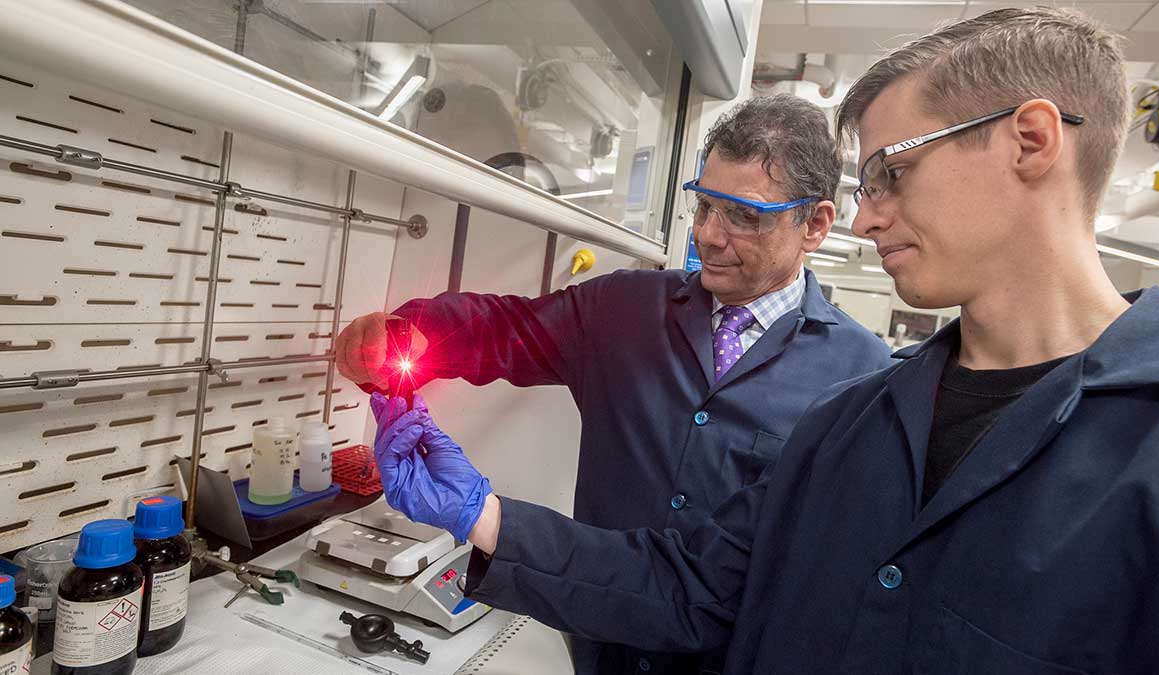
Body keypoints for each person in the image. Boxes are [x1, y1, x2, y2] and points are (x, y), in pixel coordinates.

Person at [369, 7, 1159, 673]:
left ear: (1031, 140)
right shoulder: (856, 421)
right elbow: (695, 586)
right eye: (868, 181)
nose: (872, 213)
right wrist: (479, 511)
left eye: (892, 173)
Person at [338, 94, 893, 674]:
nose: (707, 234)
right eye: (704, 205)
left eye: (742, 216)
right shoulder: (624, 307)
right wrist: (408, 333)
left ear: (817, 224)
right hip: (598, 649)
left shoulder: (861, 375)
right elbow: (508, 329)